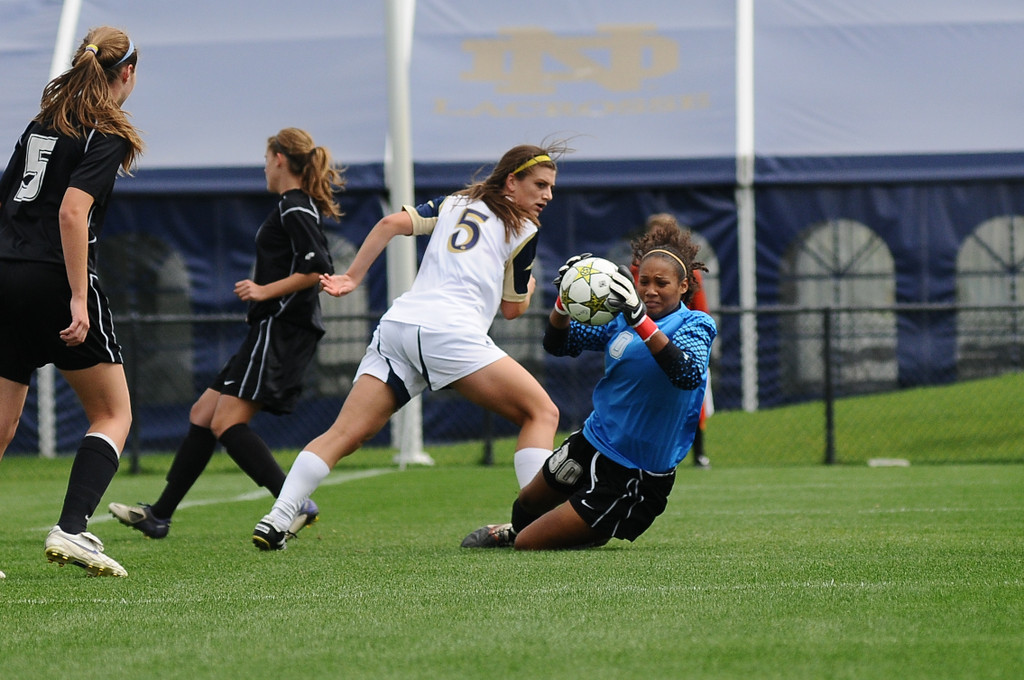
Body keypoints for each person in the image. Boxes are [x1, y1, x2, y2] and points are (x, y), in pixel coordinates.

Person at [251, 143, 566, 550]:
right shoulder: (524, 228)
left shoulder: (456, 202)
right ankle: (537, 525)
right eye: (540, 184)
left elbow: (388, 224)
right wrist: (529, 290)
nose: (547, 195)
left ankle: (279, 516)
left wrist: (351, 277)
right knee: (541, 411)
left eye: (551, 187)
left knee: (344, 433)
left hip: (400, 326)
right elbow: (511, 310)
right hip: (450, 333)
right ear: (511, 182)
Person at [109, 128, 342, 541]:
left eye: (266, 158)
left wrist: (263, 290)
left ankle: (294, 501)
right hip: (270, 327)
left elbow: (317, 267)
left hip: (281, 327)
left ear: (280, 160)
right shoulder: (292, 206)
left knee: (227, 421)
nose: (264, 167)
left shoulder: (294, 207)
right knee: (203, 414)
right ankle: (160, 515)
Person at [461, 220, 716, 550]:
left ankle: (593, 526)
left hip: (634, 470)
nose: (650, 290)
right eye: (644, 282)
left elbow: (686, 374)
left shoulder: (695, 323)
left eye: (661, 283)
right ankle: (522, 529)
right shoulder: (622, 317)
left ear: (684, 286)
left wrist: (641, 319)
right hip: (593, 440)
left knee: (529, 544)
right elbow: (558, 344)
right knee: (527, 504)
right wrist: (563, 302)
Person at [0, 27, 142, 576]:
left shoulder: (43, 123)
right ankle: (73, 529)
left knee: (4, 424)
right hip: (52, 278)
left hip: (7, 272)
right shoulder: (104, 132)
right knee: (113, 412)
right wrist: (80, 298)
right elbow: (70, 212)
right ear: (127, 72)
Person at [636, 213, 713, 468]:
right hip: (640, 345)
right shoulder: (637, 269)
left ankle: (697, 452)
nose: (650, 289)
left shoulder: (688, 275)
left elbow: (701, 312)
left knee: (692, 398)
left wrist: (695, 338)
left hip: (679, 345)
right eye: (655, 232)